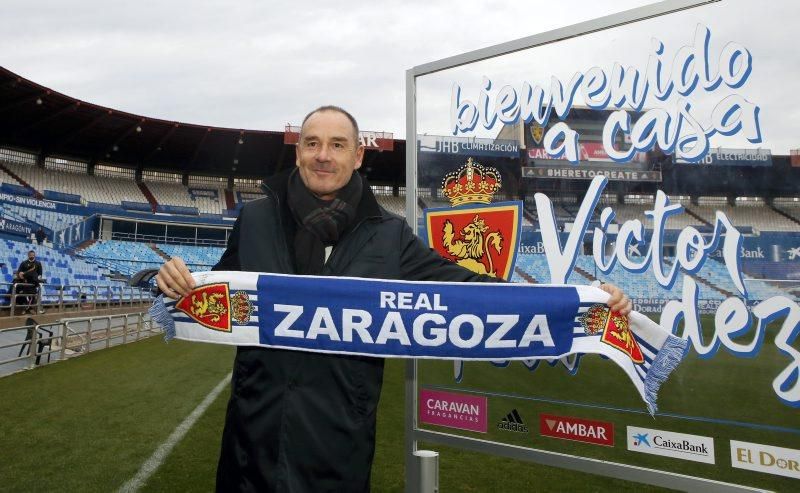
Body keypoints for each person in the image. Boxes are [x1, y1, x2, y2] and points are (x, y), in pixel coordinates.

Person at [156, 106, 632, 492]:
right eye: (312, 143)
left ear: (358, 156)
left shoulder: (389, 236)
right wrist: (166, 280)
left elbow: (468, 289)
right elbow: (208, 291)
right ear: (298, 152)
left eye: (337, 145)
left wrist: (584, 301)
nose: (323, 156)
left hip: (338, 444)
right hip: (251, 441)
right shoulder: (256, 219)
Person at [17, 250, 43, 314]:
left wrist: (38, 279)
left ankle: (27, 309)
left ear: (35, 255)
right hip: (25, 282)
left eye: (33, 254)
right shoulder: (23, 263)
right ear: (28, 255)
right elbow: (19, 272)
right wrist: (22, 277)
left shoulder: (38, 263)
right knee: (24, 295)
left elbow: (40, 274)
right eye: (30, 254)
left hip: (33, 283)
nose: (31, 255)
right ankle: (27, 308)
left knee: (32, 296)